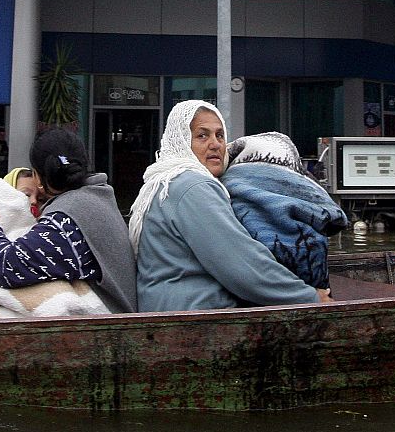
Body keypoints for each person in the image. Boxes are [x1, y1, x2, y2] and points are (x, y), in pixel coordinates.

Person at [129, 100, 325, 312]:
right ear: (181, 142)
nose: (215, 144)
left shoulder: (165, 182)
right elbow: (243, 266)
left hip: (170, 311)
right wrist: (309, 297)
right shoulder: (192, 186)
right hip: (193, 319)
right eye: (202, 135)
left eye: (219, 135)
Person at [0, 128, 137, 317]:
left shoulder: (67, 216)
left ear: (37, 176)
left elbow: (9, 267)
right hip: (113, 314)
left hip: (109, 325)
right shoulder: (95, 197)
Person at [222, 131, 347, 293]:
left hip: (256, 292)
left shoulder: (224, 189)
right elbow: (337, 221)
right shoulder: (315, 197)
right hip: (309, 289)